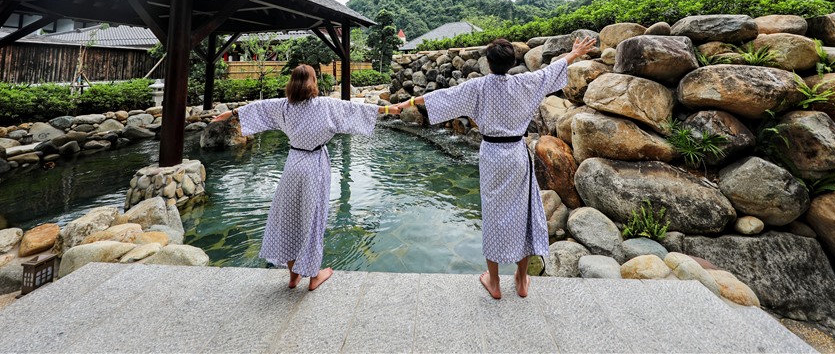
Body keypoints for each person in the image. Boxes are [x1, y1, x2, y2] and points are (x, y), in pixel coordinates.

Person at [399, 36, 596, 299]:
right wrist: (574, 53)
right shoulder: (526, 83)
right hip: (516, 155)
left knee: (493, 216)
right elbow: (551, 71)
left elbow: (440, 97)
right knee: (522, 214)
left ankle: (494, 282)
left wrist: (405, 104)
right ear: (512, 62)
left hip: (492, 156)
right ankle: (522, 279)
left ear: (488, 63)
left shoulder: (478, 87)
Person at [212, 64, 403, 290]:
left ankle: (293, 276)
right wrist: (388, 110)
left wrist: (230, 113)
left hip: (293, 165)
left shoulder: (284, 106)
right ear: (313, 81)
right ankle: (314, 276)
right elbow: (354, 109)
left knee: (288, 219)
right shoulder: (325, 105)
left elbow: (258, 108)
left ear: (292, 83)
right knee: (313, 220)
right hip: (314, 166)